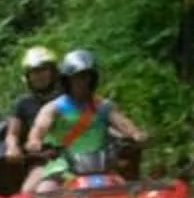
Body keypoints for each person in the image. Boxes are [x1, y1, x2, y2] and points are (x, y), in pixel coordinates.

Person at [24, 48, 143, 186]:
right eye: (76, 77)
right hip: (62, 169)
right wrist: (35, 143)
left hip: (102, 168)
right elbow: (38, 130)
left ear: (93, 79)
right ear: (67, 80)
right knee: (45, 191)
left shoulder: (104, 106)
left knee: (129, 195)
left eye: (86, 77)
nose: (82, 82)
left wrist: (137, 135)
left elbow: (124, 125)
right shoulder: (53, 108)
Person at [1, 44, 63, 166]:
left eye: (43, 70)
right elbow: (12, 134)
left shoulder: (69, 98)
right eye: (34, 72)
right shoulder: (23, 103)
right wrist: (12, 147)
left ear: (53, 72)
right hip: (40, 160)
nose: (39, 76)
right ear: (28, 77)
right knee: (32, 185)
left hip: (76, 156)